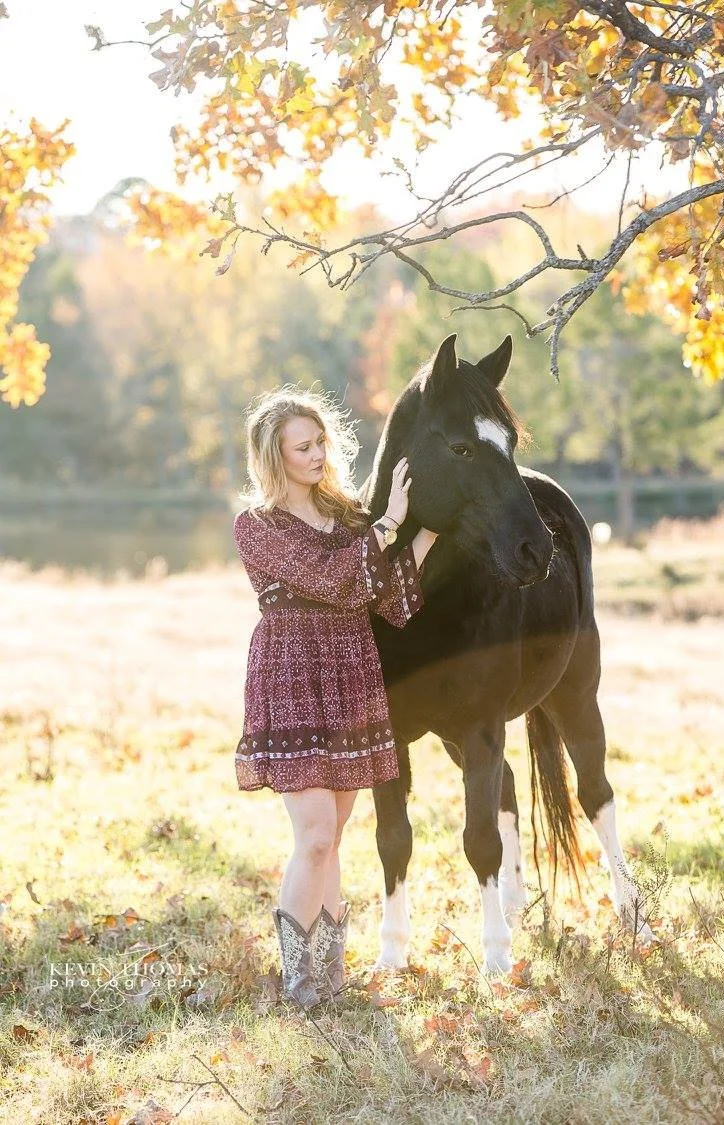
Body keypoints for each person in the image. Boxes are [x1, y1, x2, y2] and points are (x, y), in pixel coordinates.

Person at [233, 387, 438, 1009]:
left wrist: (430, 527)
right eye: (304, 446)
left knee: (335, 834)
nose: (318, 454)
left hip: (351, 670)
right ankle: (300, 986)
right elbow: (329, 577)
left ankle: (330, 976)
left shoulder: (350, 518)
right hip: (292, 674)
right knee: (316, 833)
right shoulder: (256, 526)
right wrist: (393, 523)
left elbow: (391, 597)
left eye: (321, 441)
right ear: (275, 457)